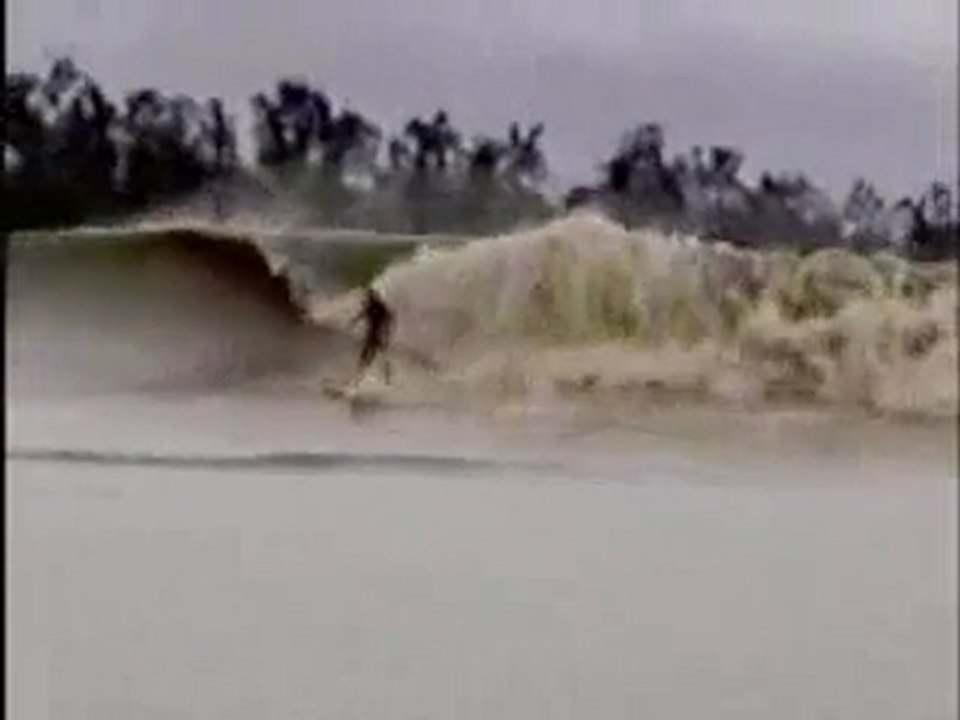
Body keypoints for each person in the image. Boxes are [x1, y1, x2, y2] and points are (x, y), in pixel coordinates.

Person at [351, 286, 395, 382]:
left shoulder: (378, 306)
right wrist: (354, 322)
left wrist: (387, 332)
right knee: (372, 354)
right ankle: (385, 376)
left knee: (372, 354)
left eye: (369, 297)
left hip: (377, 334)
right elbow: (361, 315)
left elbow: (389, 317)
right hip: (375, 333)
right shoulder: (372, 306)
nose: (367, 299)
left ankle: (386, 376)